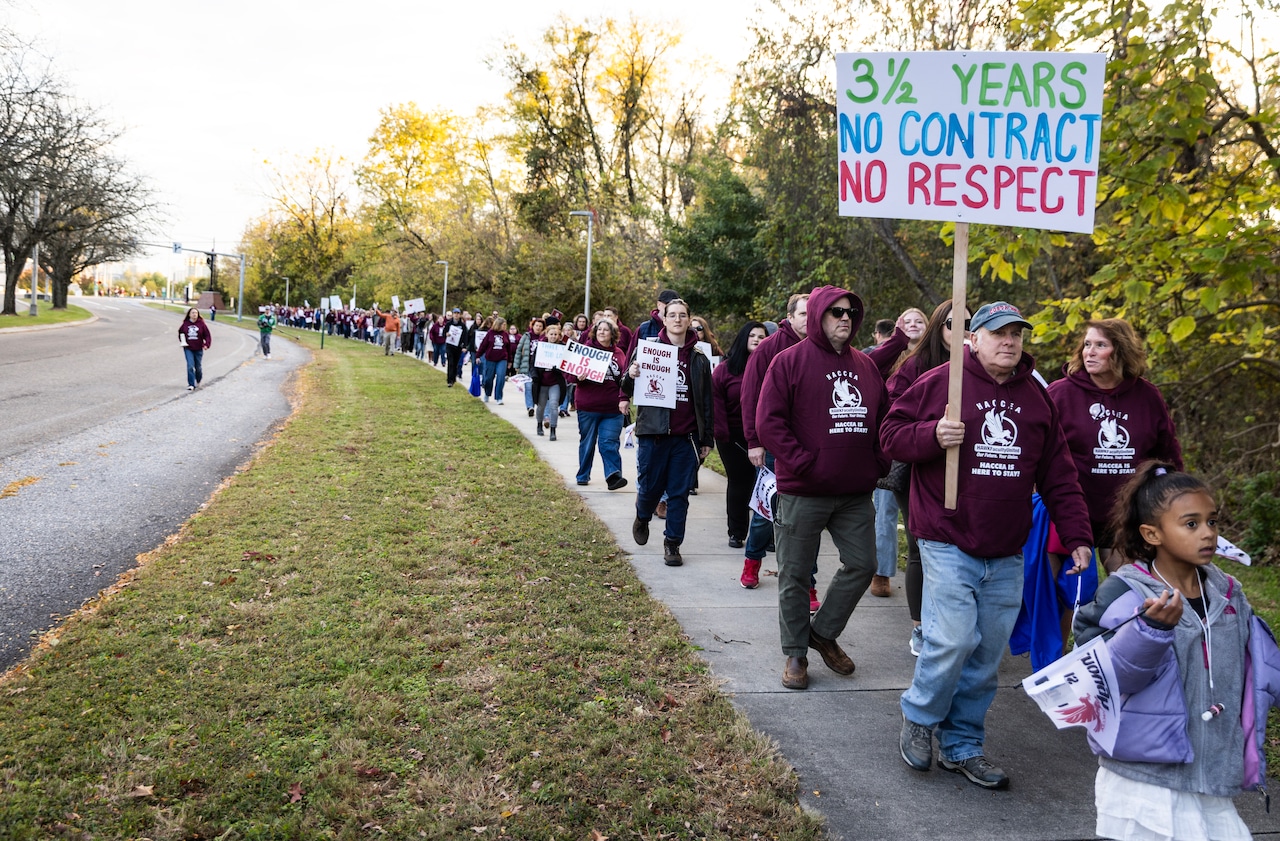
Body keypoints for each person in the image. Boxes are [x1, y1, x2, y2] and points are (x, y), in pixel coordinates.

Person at [882, 300, 1092, 790]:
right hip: (945, 535)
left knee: (985, 657)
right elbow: (890, 436)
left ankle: (961, 744)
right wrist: (932, 434)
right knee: (952, 640)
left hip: (1005, 548)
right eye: (998, 332)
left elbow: (1059, 474)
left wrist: (1078, 534)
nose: (1009, 341)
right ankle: (920, 716)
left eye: (1017, 333)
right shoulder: (941, 383)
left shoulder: (1037, 400)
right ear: (973, 338)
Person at [1074, 462, 1279, 841]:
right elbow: (1101, 679)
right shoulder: (1126, 593)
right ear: (1152, 533)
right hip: (1146, 777)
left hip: (1212, 771)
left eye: (1212, 522)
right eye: (1191, 524)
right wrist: (1150, 632)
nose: (1208, 534)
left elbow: (1262, 669)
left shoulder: (1229, 593)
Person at [756, 286, 889, 691]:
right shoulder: (788, 362)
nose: (844, 318)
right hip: (802, 490)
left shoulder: (866, 366)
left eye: (850, 312)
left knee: (864, 564)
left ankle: (823, 632)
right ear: (816, 315)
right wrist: (803, 463)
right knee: (795, 574)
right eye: (835, 312)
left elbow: (883, 420)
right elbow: (769, 423)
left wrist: (877, 463)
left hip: (854, 492)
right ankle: (796, 652)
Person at [884, 300, 970, 655]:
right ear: (939, 327)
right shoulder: (917, 365)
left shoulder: (981, 368)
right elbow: (891, 418)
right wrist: (931, 431)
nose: (961, 331)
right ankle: (920, 626)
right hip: (917, 469)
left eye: (969, 324)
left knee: (959, 546)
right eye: (953, 323)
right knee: (921, 545)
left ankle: (954, 620)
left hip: (964, 473)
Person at [624, 298, 713, 567]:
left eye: (682, 315)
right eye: (672, 315)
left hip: (685, 439)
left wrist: (707, 438)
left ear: (689, 320)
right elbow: (626, 386)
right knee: (650, 490)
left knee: (678, 495)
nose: (677, 319)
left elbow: (708, 401)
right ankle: (642, 515)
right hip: (654, 434)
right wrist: (631, 374)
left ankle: (672, 543)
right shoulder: (648, 350)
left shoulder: (698, 359)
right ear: (664, 319)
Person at [740, 293, 817, 606]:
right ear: (791, 316)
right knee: (769, 510)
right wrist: (754, 441)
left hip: (813, 448)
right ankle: (752, 560)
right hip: (774, 444)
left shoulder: (825, 349)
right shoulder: (770, 348)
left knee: (808, 518)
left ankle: (807, 584)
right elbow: (749, 396)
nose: (809, 320)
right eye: (804, 314)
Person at [713, 321, 767, 558]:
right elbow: (715, 404)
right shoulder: (724, 370)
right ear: (743, 338)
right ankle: (737, 532)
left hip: (764, 434)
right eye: (752, 335)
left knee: (765, 485)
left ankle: (767, 535)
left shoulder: (772, 366)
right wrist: (722, 434)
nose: (756, 339)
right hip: (732, 435)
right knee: (740, 482)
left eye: (762, 336)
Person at [568, 319, 630, 489]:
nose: (602, 332)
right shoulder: (585, 351)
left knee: (609, 442)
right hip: (588, 407)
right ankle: (583, 475)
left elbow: (624, 380)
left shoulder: (619, 354)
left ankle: (613, 476)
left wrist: (625, 397)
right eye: (599, 329)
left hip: (612, 409)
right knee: (587, 442)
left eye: (606, 330)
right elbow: (568, 375)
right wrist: (577, 376)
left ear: (613, 334)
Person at [529, 318, 566, 441]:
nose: (553, 336)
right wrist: (534, 376)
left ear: (559, 336)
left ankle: (553, 429)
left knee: (554, 405)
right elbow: (533, 364)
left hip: (555, 382)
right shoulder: (540, 347)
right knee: (541, 406)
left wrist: (559, 369)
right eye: (551, 334)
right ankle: (539, 424)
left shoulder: (562, 348)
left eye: (556, 334)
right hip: (542, 382)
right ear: (547, 335)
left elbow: (566, 365)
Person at [515, 316, 546, 417]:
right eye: (536, 325)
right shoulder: (526, 336)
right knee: (528, 386)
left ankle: (539, 405)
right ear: (532, 326)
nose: (538, 328)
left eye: (540, 326)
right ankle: (530, 407)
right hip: (527, 365)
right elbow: (519, 350)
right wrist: (517, 364)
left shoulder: (545, 338)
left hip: (540, 367)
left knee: (537, 387)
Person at [476, 317, 511, 403]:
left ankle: (499, 397)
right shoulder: (490, 333)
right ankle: (487, 393)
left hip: (502, 359)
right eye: (503, 324)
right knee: (488, 378)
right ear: (498, 324)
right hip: (490, 358)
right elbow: (483, 345)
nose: (505, 326)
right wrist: (478, 356)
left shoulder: (505, 334)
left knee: (501, 377)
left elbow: (508, 348)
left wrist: (510, 361)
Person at [179, 306, 212, 391]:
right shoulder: (185, 324)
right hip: (188, 348)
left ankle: (198, 380)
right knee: (190, 366)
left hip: (198, 348)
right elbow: (181, 333)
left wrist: (206, 344)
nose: (194, 314)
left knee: (198, 367)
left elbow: (207, 335)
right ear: (189, 314)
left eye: (196, 313)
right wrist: (182, 341)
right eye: (193, 313)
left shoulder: (201, 324)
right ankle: (191, 384)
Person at [444, 308, 467, 387]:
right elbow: (444, 333)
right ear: (453, 314)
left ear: (460, 315)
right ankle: (449, 380)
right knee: (450, 362)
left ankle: (453, 378)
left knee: (456, 363)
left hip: (458, 347)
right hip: (450, 346)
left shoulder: (462, 325)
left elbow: (465, 336)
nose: (456, 315)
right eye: (455, 313)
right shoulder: (448, 324)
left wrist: (464, 346)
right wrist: (446, 334)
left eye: (458, 313)